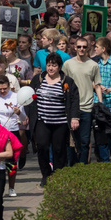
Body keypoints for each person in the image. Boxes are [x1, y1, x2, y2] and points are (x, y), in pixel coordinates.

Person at [29, 53, 80, 186]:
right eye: (49, 65)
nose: (51, 68)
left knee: (59, 149)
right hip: (42, 121)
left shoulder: (67, 81)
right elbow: (29, 97)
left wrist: (74, 117)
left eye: (54, 65)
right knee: (42, 147)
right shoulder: (38, 79)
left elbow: (74, 100)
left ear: (59, 67)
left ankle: (58, 175)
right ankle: (46, 174)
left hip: (60, 122)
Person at [62, 37, 103, 165]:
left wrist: (100, 104)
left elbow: (97, 85)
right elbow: (62, 83)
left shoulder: (93, 65)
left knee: (85, 141)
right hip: (71, 107)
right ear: (75, 47)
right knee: (71, 140)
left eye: (84, 47)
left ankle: (83, 167)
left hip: (87, 106)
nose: (81, 49)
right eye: (79, 46)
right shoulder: (68, 64)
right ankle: (71, 166)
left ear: (88, 48)